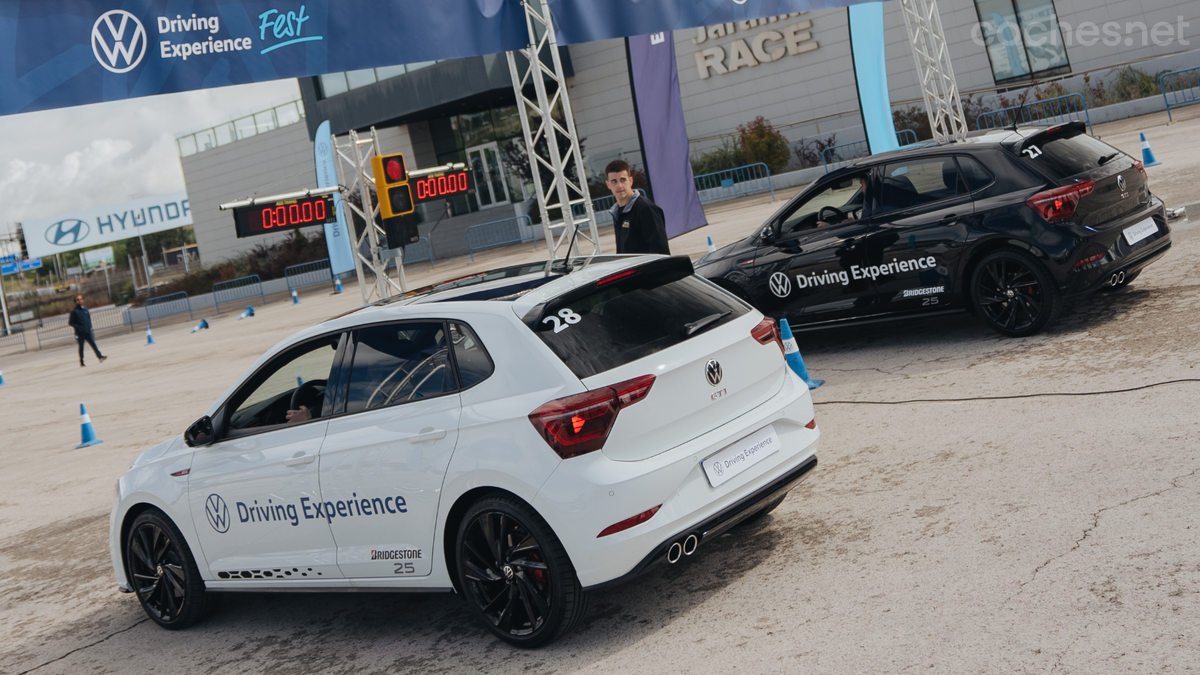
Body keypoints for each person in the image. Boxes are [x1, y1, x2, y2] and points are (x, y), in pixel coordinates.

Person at [606, 159, 670, 255]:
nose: (619, 186)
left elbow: (660, 250)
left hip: (646, 270)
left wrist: (643, 270)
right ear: (608, 185)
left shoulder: (645, 209)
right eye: (614, 181)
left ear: (630, 181)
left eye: (623, 180)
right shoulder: (617, 212)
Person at [68, 295, 107, 367]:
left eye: (80, 299)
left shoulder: (85, 309)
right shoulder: (74, 311)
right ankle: (82, 361)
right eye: (77, 300)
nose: (79, 301)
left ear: (83, 300)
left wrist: (90, 327)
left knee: (93, 344)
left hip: (88, 331)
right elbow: (71, 322)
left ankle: (100, 356)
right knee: (81, 347)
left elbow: (88, 319)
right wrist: (78, 327)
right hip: (80, 333)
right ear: (75, 302)